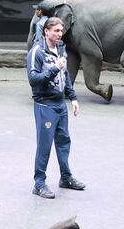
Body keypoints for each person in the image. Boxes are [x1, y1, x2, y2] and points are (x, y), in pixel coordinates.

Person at [27, 13, 83, 199]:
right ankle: (39, 183)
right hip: (45, 105)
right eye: (57, 31)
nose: (60, 34)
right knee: (44, 145)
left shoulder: (60, 49)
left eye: (62, 31)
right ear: (46, 31)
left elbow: (65, 75)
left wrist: (73, 98)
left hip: (60, 105)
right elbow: (34, 80)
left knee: (64, 142)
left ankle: (66, 177)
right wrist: (54, 68)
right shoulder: (37, 52)